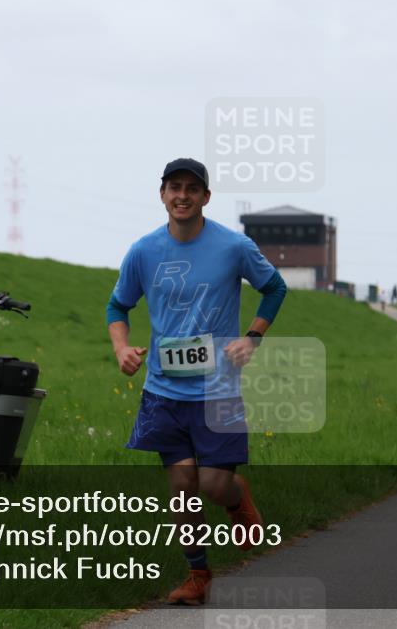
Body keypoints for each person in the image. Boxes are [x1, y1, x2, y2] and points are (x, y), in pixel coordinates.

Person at [106, 158, 287, 605]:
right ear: (162, 194)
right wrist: (122, 349)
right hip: (164, 391)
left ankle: (236, 496)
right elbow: (117, 307)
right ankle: (198, 575)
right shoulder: (143, 251)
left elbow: (275, 287)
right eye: (174, 187)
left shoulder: (232, 246)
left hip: (218, 391)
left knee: (211, 484)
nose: (182, 195)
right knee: (183, 488)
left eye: (191, 188)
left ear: (205, 197)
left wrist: (252, 339)